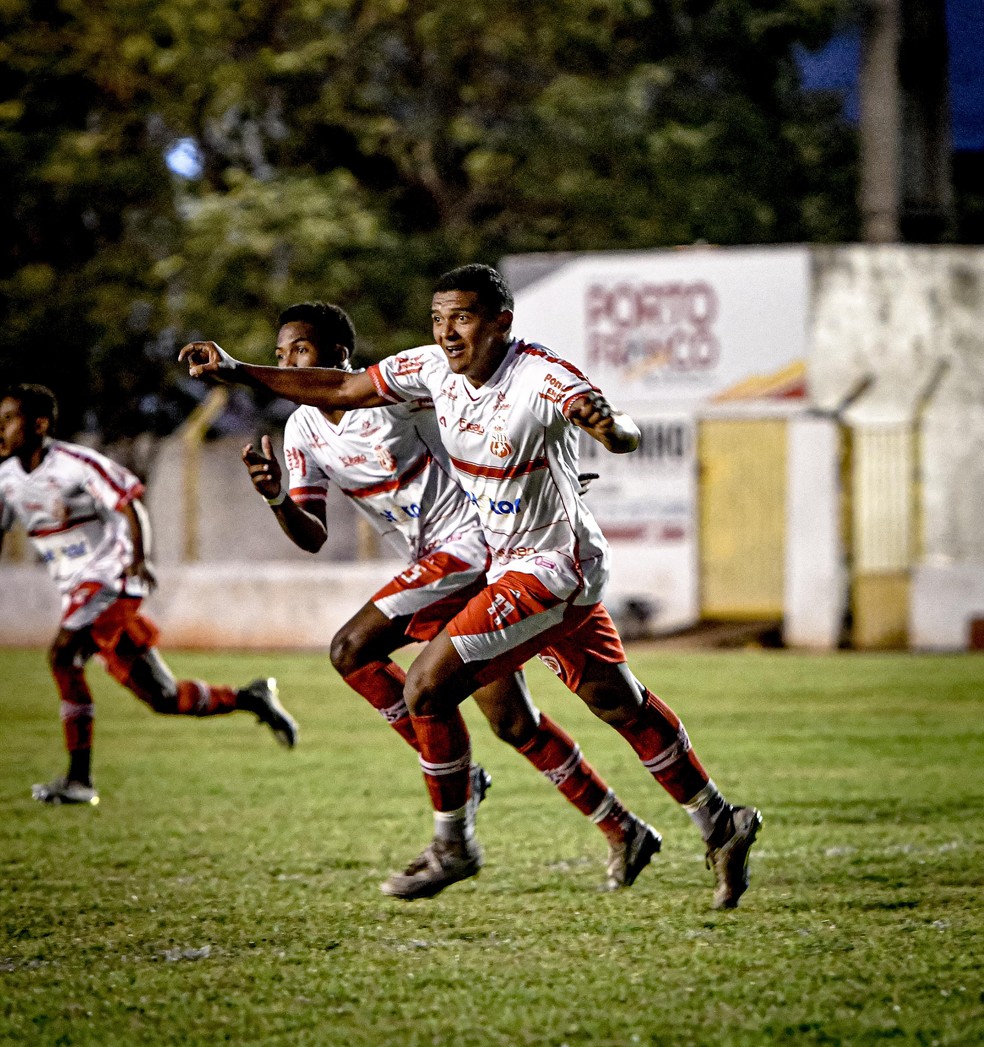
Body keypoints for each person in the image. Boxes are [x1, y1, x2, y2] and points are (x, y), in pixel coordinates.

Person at [180, 265, 762, 909]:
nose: (447, 332)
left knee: (421, 684)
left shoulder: (538, 373)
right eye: (438, 318)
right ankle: (718, 821)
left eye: (461, 317)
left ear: (501, 322)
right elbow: (342, 397)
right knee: (609, 701)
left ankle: (454, 842)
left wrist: (608, 428)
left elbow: (620, 429)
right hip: (504, 559)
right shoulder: (428, 370)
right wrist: (237, 376)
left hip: (547, 564)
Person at [240, 301, 660, 894]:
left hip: (475, 546)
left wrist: (537, 478)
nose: (285, 366)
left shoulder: (398, 394)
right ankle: (623, 827)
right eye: (279, 356)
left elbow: (487, 411)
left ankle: (456, 814)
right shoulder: (301, 430)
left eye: (299, 353)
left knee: (351, 649)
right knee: (514, 723)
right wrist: (277, 498)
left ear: (338, 355)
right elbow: (312, 533)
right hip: (434, 568)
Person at [0, 384, 298, 806]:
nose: (2, 428)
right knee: (163, 696)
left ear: (39, 425)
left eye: (9, 419)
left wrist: (139, 559)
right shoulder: (7, 478)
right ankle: (250, 697)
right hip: (80, 591)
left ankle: (79, 781)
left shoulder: (74, 463)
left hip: (112, 578)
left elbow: (129, 502)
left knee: (63, 656)